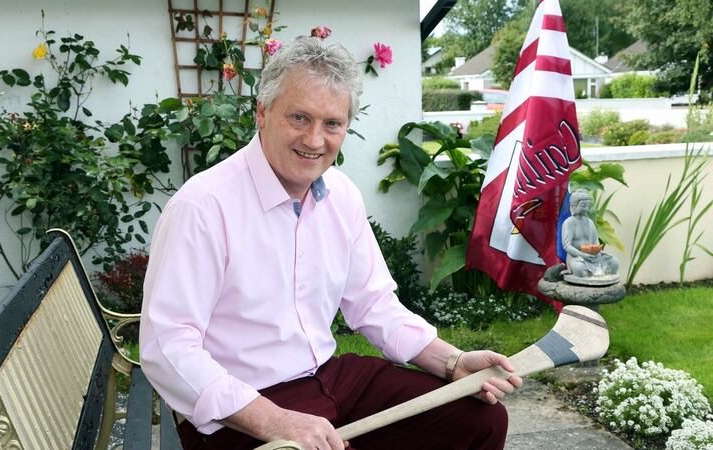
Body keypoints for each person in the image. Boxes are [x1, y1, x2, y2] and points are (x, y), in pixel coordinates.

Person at [140, 36, 522, 450]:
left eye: (332, 124)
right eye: (300, 118)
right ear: (262, 113)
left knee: (479, 419)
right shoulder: (203, 207)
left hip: (330, 378)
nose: (315, 140)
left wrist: (453, 363)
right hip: (240, 407)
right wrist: (273, 420)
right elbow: (167, 347)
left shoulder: (340, 194)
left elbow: (374, 304)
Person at [561, 189, 619, 279]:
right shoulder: (569, 223)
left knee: (614, 263)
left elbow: (595, 241)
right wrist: (583, 255)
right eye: (583, 205)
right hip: (577, 257)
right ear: (573, 205)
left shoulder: (590, 222)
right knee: (579, 269)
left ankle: (596, 273)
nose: (586, 209)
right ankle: (592, 274)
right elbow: (566, 246)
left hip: (593, 256)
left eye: (588, 206)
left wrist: (597, 252)